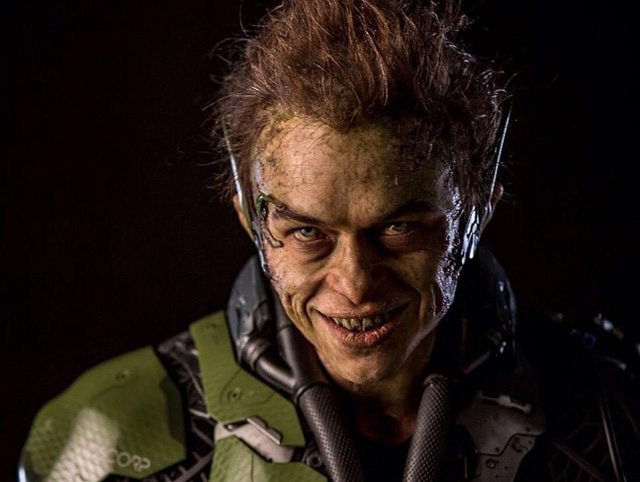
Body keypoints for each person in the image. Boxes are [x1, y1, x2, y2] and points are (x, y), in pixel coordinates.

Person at [19, 1, 638, 481]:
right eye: (308, 233)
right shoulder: (104, 442)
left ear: (476, 214)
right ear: (252, 222)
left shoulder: (614, 426)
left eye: (399, 228)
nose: (355, 283)